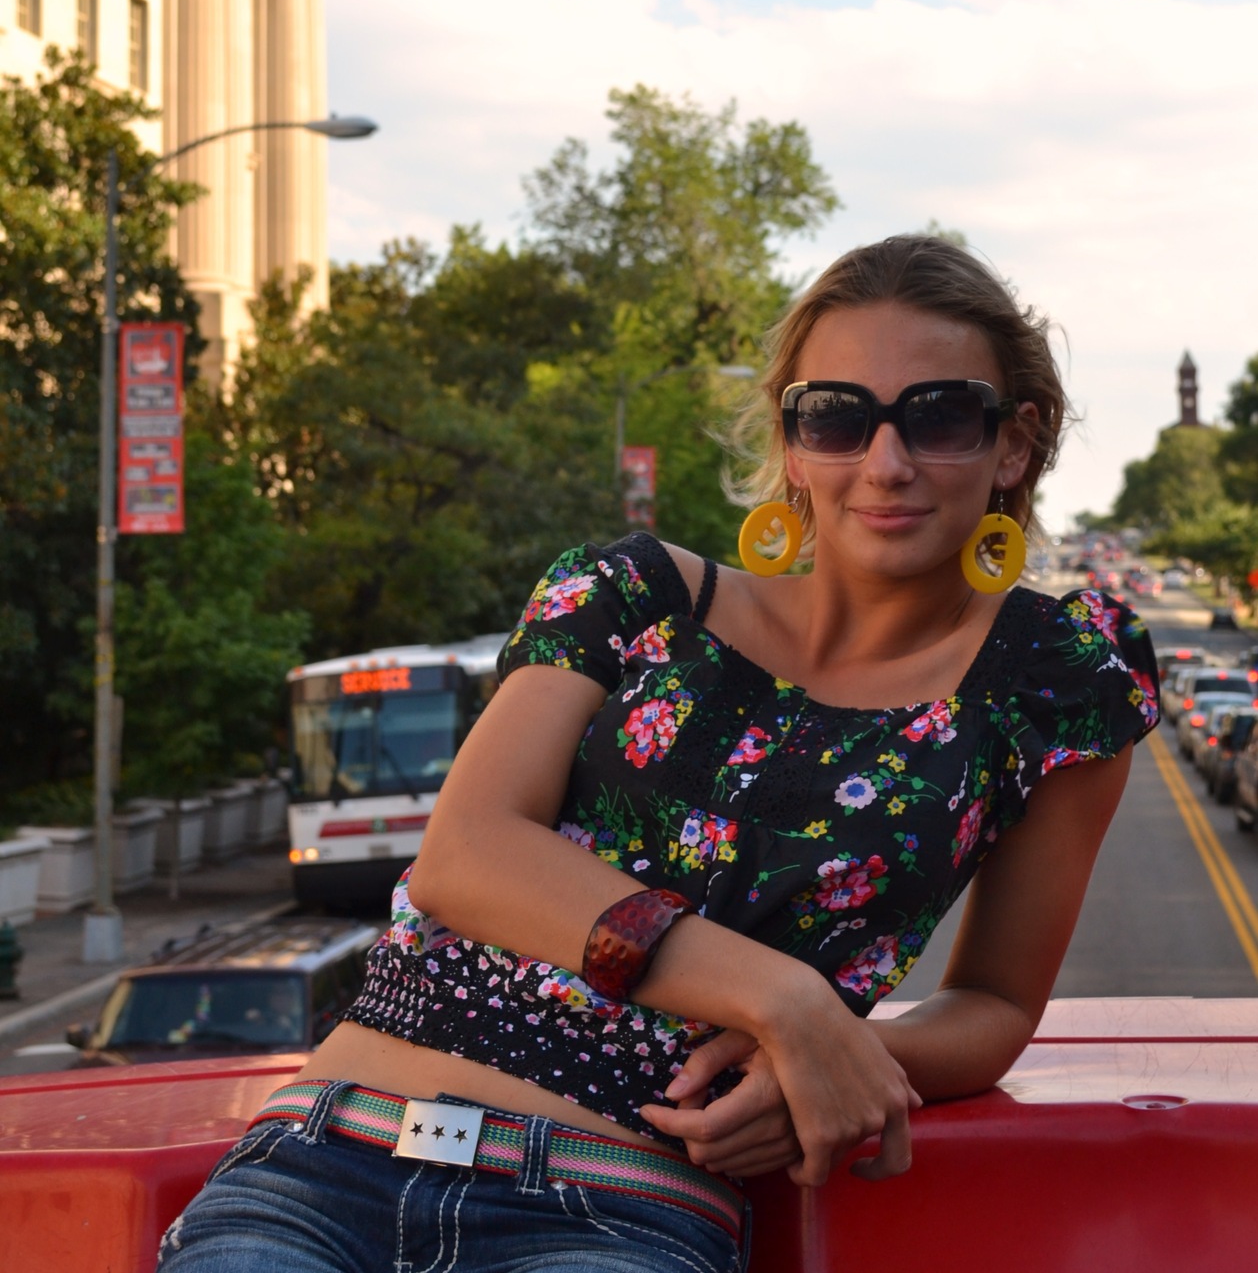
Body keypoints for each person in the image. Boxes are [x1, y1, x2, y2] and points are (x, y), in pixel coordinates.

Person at [160, 235, 1158, 1273]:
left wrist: (842, 1053)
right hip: (326, 1159)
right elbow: (465, 855)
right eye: (836, 416)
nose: (885, 462)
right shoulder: (634, 594)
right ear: (793, 443)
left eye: (940, 415)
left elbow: (995, 1003)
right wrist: (786, 1001)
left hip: (620, 1212)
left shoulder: (1057, 681)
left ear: (1013, 442)